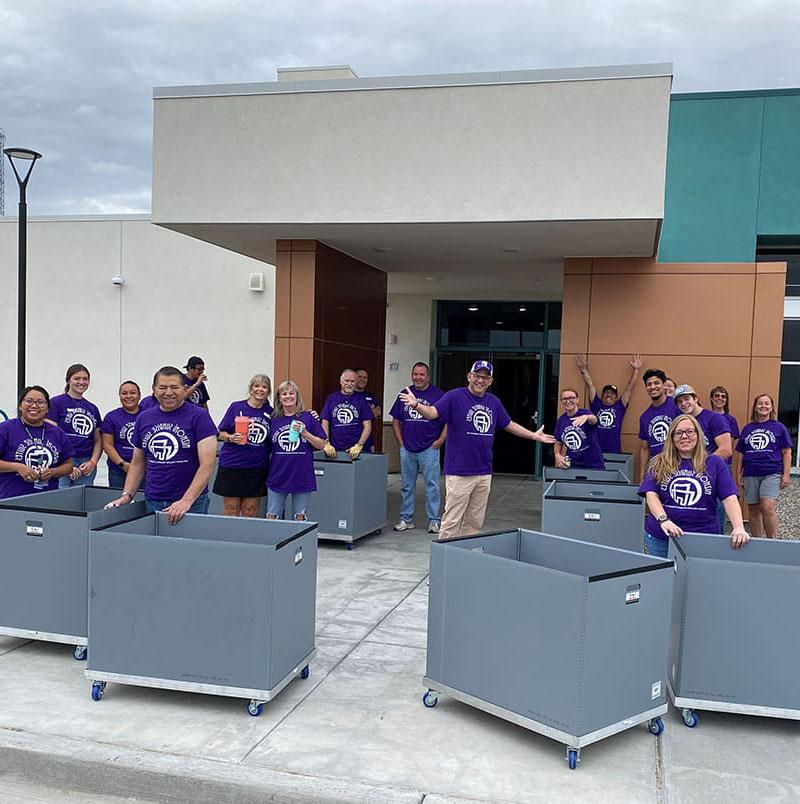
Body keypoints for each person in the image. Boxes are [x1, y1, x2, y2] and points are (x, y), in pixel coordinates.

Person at [399, 360, 555, 540]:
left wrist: (533, 436)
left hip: (483, 472)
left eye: (485, 377)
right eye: (477, 376)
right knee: (451, 521)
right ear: (469, 377)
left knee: (474, 522)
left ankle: (467, 557)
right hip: (459, 472)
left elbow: (508, 424)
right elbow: (433, 413)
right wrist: (416, 405)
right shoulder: (454, 397)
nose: (480, 380)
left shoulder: (493, 402)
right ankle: (446, 560)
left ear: (490, 381)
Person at [107, 366, 217, 523]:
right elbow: (138, 463)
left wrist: (186, 501)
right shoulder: (143, 418)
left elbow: (207, 464)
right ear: (154, 390)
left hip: (192, 504)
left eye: (174, 387)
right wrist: (127, 496)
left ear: (185, 388)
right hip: (154, 500)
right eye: (163, 387)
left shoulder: (200, 416)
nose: (168, 392)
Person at [639, 414, 749, 558]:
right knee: (665, 578)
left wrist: (739, 527)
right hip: (663, 536)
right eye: (678, 433)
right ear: (671, 437)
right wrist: (664, 520)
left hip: (703, 537)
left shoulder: (714, 463)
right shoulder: (658, 462)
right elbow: (651, 495)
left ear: (698, 435)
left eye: (690, 431)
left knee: (698, 578)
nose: (684, 436)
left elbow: (729, 497)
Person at [389, 362, 447, 533]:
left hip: (430, 448)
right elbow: (395, 421)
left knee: (432, 485)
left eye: (422, 374)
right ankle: (406, 519)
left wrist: (440, 441)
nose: (418, 377)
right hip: (407, 448)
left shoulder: (438, 395)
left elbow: (447, 422)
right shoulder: (404, 394)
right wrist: (400, 443)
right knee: (407, 485)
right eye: (415, 374)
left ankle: (434, 521)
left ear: (428, 377)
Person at [267, 380, 328, 520]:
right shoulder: (273, 419)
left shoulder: (308, 417)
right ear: (279, 398)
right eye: (284, 393)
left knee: (300, 517)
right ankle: (274, 542)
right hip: (278, 474)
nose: (288, 396)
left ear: (297, 396)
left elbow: (322, 444)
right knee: (272, 516)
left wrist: (305, 433)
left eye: (291, 393)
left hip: (301, 474)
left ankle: (299, 543)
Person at [213, 374, 273, 517]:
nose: (260, 389)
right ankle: (229, 538)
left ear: (269, 391)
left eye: (264, 387)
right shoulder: (236, 407)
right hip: (232, 465)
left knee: (250, 510)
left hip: (256, 467)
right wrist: (230, 437)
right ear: (250, 389)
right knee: (231, 508)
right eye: (256, 386)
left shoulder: (271, 412)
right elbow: (219, 432)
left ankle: (247, 539)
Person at [0, 386, 74, 499]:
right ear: (20, 405)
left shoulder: (58, 433)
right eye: (29, 401)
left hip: (47, 500)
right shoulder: (5, 429)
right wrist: (17, 467)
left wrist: (52, 472)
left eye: (40, 402)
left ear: (47, 409)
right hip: (11, 500)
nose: (34, 406)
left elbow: (68, 466)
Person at [736, 394, 792, 538]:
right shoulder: (748, 428)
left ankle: (773, 542)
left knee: (767, 507)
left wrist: (786, 475)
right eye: (760, 403)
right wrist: (738, 474)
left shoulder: (779, 427)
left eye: (767, 403)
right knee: (753, 510)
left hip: (772, 472)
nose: (763, 406)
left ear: (771, 407)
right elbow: (741, 453)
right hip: (750, 472)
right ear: (755, 407)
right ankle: (758, 543)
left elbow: (786, 452)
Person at [574, 354, 642, 453]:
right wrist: (583, 369)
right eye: (606, 393)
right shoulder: (596, 404)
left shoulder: (620, 406)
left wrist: (636, 370)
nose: (609, 395)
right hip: (595, 450)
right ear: (602, 395)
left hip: (614, 451)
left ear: (616, 396)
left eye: (612, 393)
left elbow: (629, 387)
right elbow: (590, 385)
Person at [49, 364, 102, 487]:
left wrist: (92, 462)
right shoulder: (56, 403)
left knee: (81, 502)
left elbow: (98, 440)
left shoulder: (93, 408)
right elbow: (51, 436)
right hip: (61, 462)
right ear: (68, 380)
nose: (81, 382)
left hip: (85, 462)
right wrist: (67, 466)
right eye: (77, 378)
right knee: (61, 500)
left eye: (85, 379)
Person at [321, 369, 373, 458]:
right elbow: (325, 422)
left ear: (356, 383)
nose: (349, 384)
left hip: (356, 450)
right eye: (347, 381)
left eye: (352, 381)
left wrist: (359, 445)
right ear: (341, 382)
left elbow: (368, 426)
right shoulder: (331, 398)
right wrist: (326, 443)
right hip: (335, 450)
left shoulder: (361, 399)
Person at [638, 369, 679, 481]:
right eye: (649, 384)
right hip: (657, 469)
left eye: (656, 383)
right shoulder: (644, 417)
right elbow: (645, 448)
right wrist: (642, 475)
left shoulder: (677, 406)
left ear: (664, 385)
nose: (652, 387)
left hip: (678, 465)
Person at [100, 381, 142, 489]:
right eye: (124, 393)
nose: (128, 396)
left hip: (144, 469)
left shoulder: (148, 416)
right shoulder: (111, 417)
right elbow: (107, 445)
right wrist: (123, 464)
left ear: (139, 395)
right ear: (120, 396)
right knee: (118, 502)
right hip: (118, 470)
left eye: (132, 393)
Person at [673, 385, 732, 461]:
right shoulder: (680, 422)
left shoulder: (715, 418)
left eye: (686, 399)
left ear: (695, 398)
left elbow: (726, 450)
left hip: (712, 470)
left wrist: (702, 464)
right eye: (679, 401)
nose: (683, 403)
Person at [554, 388, 604, 469]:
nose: (568, 401)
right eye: (565, 399)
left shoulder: (585, 413)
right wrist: (557, 455)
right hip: (571, 464)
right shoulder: (561, 420)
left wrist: (587, 417)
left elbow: (594, 420)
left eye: (571, 398)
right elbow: (558, 442)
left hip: (593, 464)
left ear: (577, 399)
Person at [355, 368, 381, 453]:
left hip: (368, 442)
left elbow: (378, 412)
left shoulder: (370, 395)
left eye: (365, 377)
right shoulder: (349, 395)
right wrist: (369, 410)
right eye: (360, 377)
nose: (362, 379)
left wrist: (359, 413)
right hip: (350, 440)